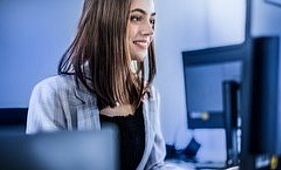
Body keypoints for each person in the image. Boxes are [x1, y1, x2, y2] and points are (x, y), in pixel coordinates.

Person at [26, 0, 180, 169]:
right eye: (136, 18)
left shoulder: (148, 95)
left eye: (151, 20)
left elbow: (153, 166)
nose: (149, 30)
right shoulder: (52, 95)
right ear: (105, 21)